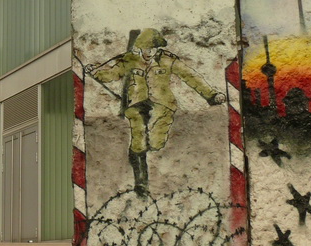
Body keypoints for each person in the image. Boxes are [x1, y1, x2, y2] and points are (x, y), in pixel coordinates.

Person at [86, 29, 225, 190]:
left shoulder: (168, 60)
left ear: (159, 48)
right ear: (140, 47)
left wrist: (212, 95)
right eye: (146, 49)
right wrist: (95, 72)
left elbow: (190, 76)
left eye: (153, 49)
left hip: (162, 105)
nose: (149, 52)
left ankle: (146, 151)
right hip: (136, 104)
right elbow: (111, 73)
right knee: (138, 141)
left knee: (155, 143)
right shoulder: (130, 60)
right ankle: (141, 181)